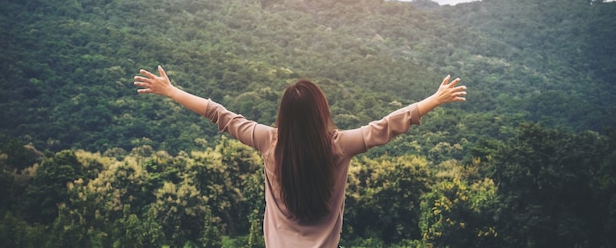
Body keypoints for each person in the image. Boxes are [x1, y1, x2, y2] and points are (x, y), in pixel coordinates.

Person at [134, 66, 466, 248]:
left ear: (285, 115)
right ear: (322, 112)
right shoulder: (339, 145)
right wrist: (433, 100)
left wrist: (171, 91)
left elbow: (220, 115)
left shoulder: (268, 141)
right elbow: (384, 128)